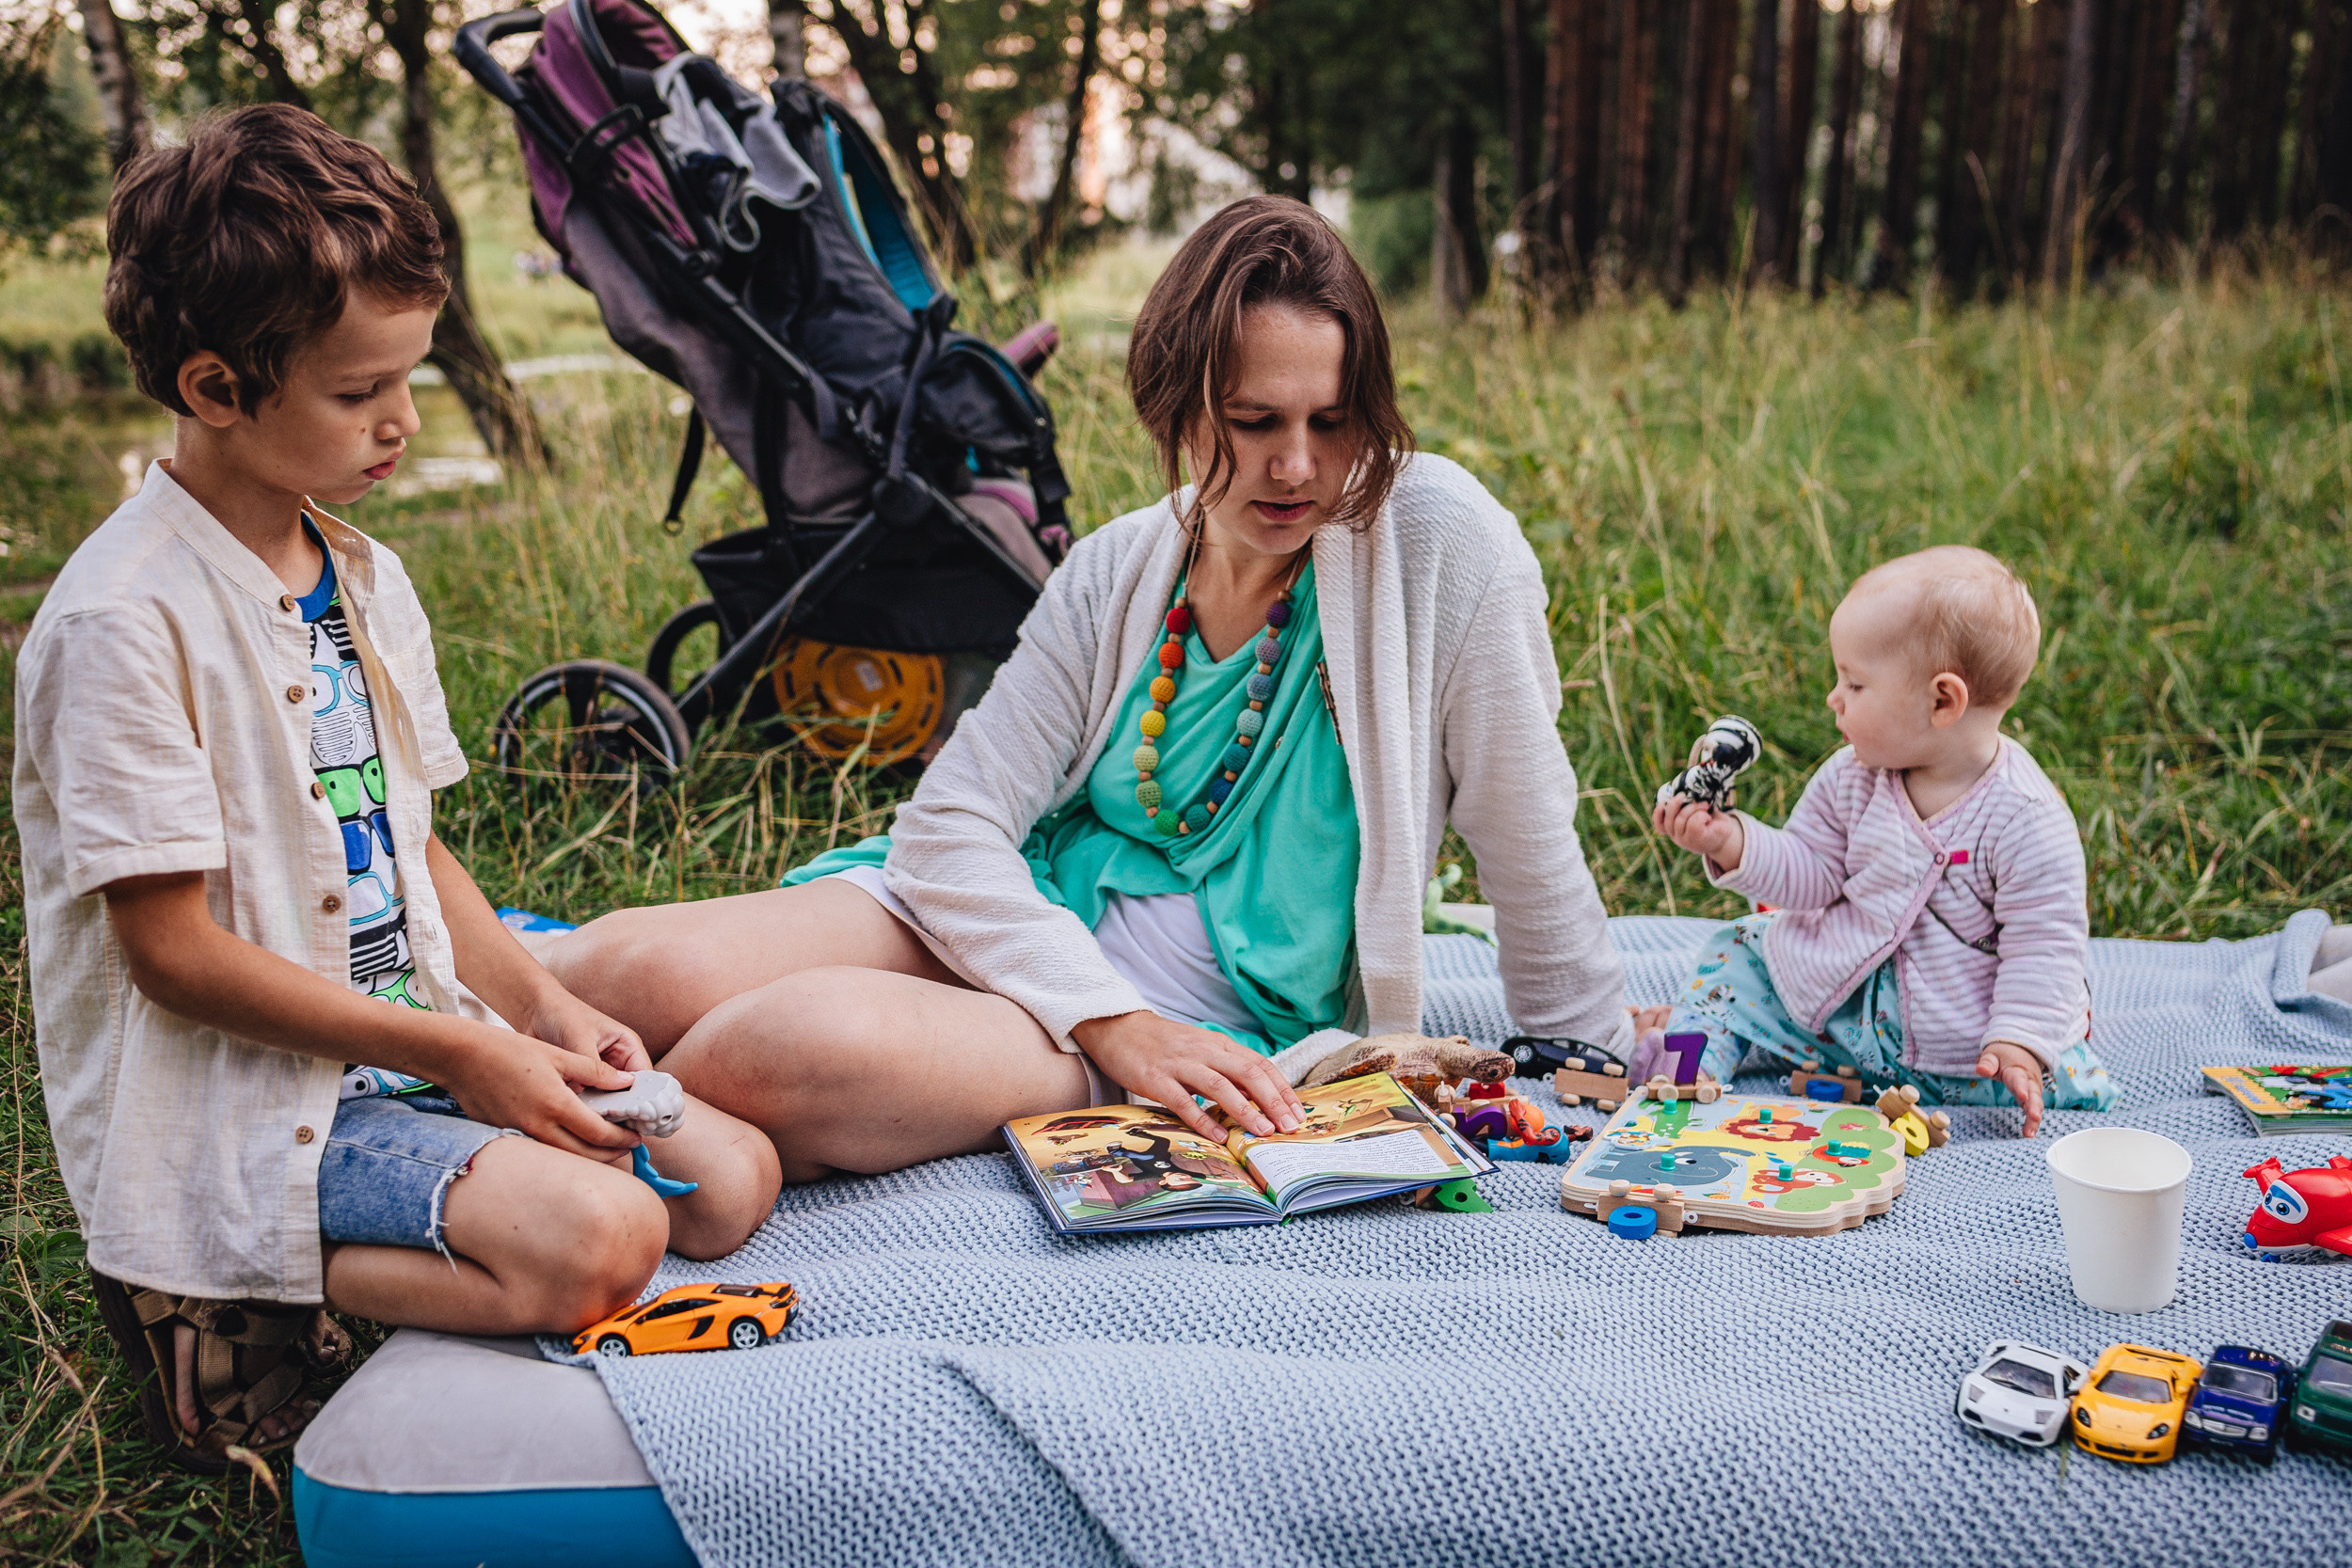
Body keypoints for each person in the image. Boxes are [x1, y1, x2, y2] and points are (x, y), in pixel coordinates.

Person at [548, 195, 1647, 1176]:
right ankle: (529, 1102)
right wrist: (1104, 1011)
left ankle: (581, 1146)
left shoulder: (1441, 543)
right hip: (1032, 926)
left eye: (1332, 419)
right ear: (1174, 410)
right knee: (616, 966)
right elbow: (953, 824)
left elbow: (1525, 830)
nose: (1300, 467)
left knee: (777, 1047)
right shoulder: (1119, 567)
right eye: (1255, 422)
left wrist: (1594, 1060)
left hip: (1192, 1019)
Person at [13, 104, 780, 1473]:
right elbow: (172, 957)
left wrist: (541, 1009)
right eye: (360, 389)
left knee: (730, 1185)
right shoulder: (121, 623)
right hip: (264, 1099)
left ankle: (397, 1232)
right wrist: (467, 1057)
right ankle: (205, 1291)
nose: (402, 422)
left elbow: (411, 853)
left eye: (408, 376)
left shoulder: (356, 575)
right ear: (213, 387)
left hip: (414, 1041)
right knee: (612, 1237)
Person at [1647, 545, 2116, 1136]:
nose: (1833, 698)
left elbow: (2045, 947)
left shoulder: (2025, 817)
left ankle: (2016, 1070)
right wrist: (1730, 840)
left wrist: (2018, 1042)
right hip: (1847, 1011)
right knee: (1736, 954)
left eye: (1855, 683)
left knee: (2054, 1068)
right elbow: (1810, 874)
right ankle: (1681, 1078)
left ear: (1941, 700)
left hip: (1964, 1044)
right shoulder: (1852, 775)